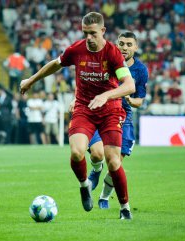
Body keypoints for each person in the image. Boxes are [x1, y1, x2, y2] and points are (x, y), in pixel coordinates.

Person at [20, 12, 135, 219]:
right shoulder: (77, 49)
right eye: (85, 33)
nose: (88, 38)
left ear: (102, 31)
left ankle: (125, 208)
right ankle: (85, 185)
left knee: (113, 161)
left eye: (92, 33)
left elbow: (129, 85)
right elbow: (55, 64)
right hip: (84, 108)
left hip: (110, 111)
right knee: (76, 152)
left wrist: (106, 95)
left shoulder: (113, 54)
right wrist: (31, 80)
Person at [83, 31, 148, 215]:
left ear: (136, 47)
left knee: (116, 162)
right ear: (116, 44)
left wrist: (127, 97)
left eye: (129, 44)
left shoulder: (140, 71)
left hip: (124, 116)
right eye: (122, 44)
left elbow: (139, 102)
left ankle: (104, 197)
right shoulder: (107, 59)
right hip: (100, 111)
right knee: (97, 154)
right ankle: (96, 169)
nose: (125, 48)